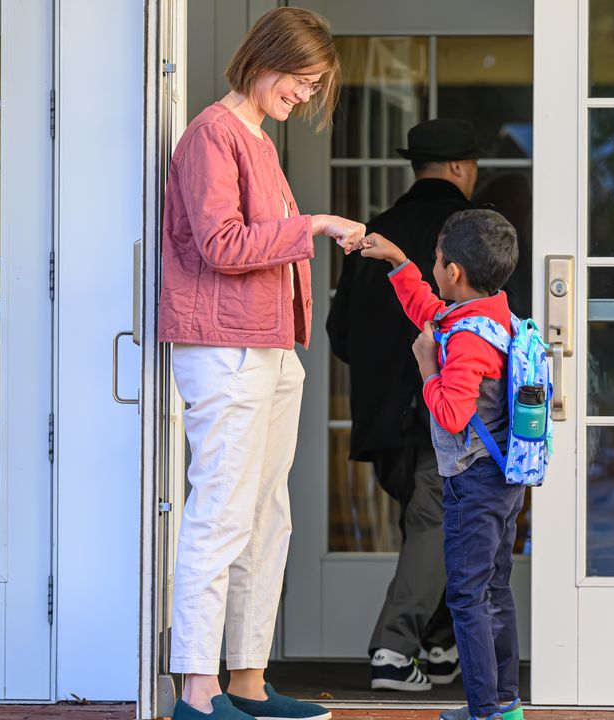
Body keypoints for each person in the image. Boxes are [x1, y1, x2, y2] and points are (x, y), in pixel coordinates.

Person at [157, 9, 366, 720]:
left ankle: (247, 681)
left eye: (314, 85)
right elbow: (222, 243)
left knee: (268, 516)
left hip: (270, 349)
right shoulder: (212, 134)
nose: (304, 95)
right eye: (302, 79)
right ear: (265, 58)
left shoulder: (256, 139)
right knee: (221, 513)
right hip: (227, 349)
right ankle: (197, 692)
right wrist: (316, 224)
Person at [327, 118, 480, 692]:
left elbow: (339, 334)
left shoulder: (377, 233)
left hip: (381, 414)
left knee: (425, 527)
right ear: (461, 168)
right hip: (444, 407)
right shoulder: (472, 233)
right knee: (435, 523)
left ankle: (439, 646)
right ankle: (394, 651)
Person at [358, 210, 525, 720]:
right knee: (494, 590)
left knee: (468, 598)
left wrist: (427, 366)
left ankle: (484, 711)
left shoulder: (469, 338)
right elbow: (430, 311)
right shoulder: (491, 313)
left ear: (453, 271)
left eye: (434, 260)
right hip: (501, 479)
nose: (433, 269)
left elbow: (452, 413)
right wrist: (398, 262)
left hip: (474, 482)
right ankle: (505, 706)